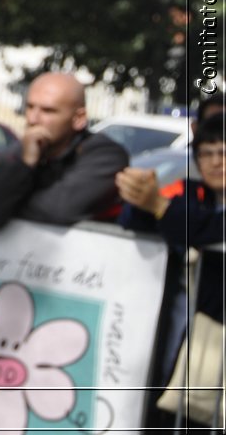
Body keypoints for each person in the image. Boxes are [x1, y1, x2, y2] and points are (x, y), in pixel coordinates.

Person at [117, 115, 226, 429]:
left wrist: (161, 207)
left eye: (224, 152)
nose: (216, 162)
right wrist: (141, 199)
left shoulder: (180, 207)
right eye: (207, 153)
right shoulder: (188, 194)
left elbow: (208, 228)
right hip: (173, 337)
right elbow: (138, 222)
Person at [0, 72, 128, 232]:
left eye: (48, 111)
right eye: (30, 107)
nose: (33, 119)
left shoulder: (105, 155)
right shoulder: (18, 152)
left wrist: (6, 206)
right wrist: (24, 164)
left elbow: (59, 209)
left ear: (79, 118)